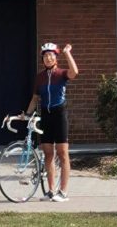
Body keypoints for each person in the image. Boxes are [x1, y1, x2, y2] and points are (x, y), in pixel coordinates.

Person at [25, 41, 78, 202]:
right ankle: (51, 191)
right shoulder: (40, 77)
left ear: (55, 58)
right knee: (48, 153)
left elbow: (74, 72)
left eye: (51, 55)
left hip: (59, 114)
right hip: (45, 116)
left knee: (62, 153)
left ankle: (63, 192)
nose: (48, 58)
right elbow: (35, 98)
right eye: (45, 56)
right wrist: (26, 114)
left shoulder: (61, 74)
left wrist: (67, 52)